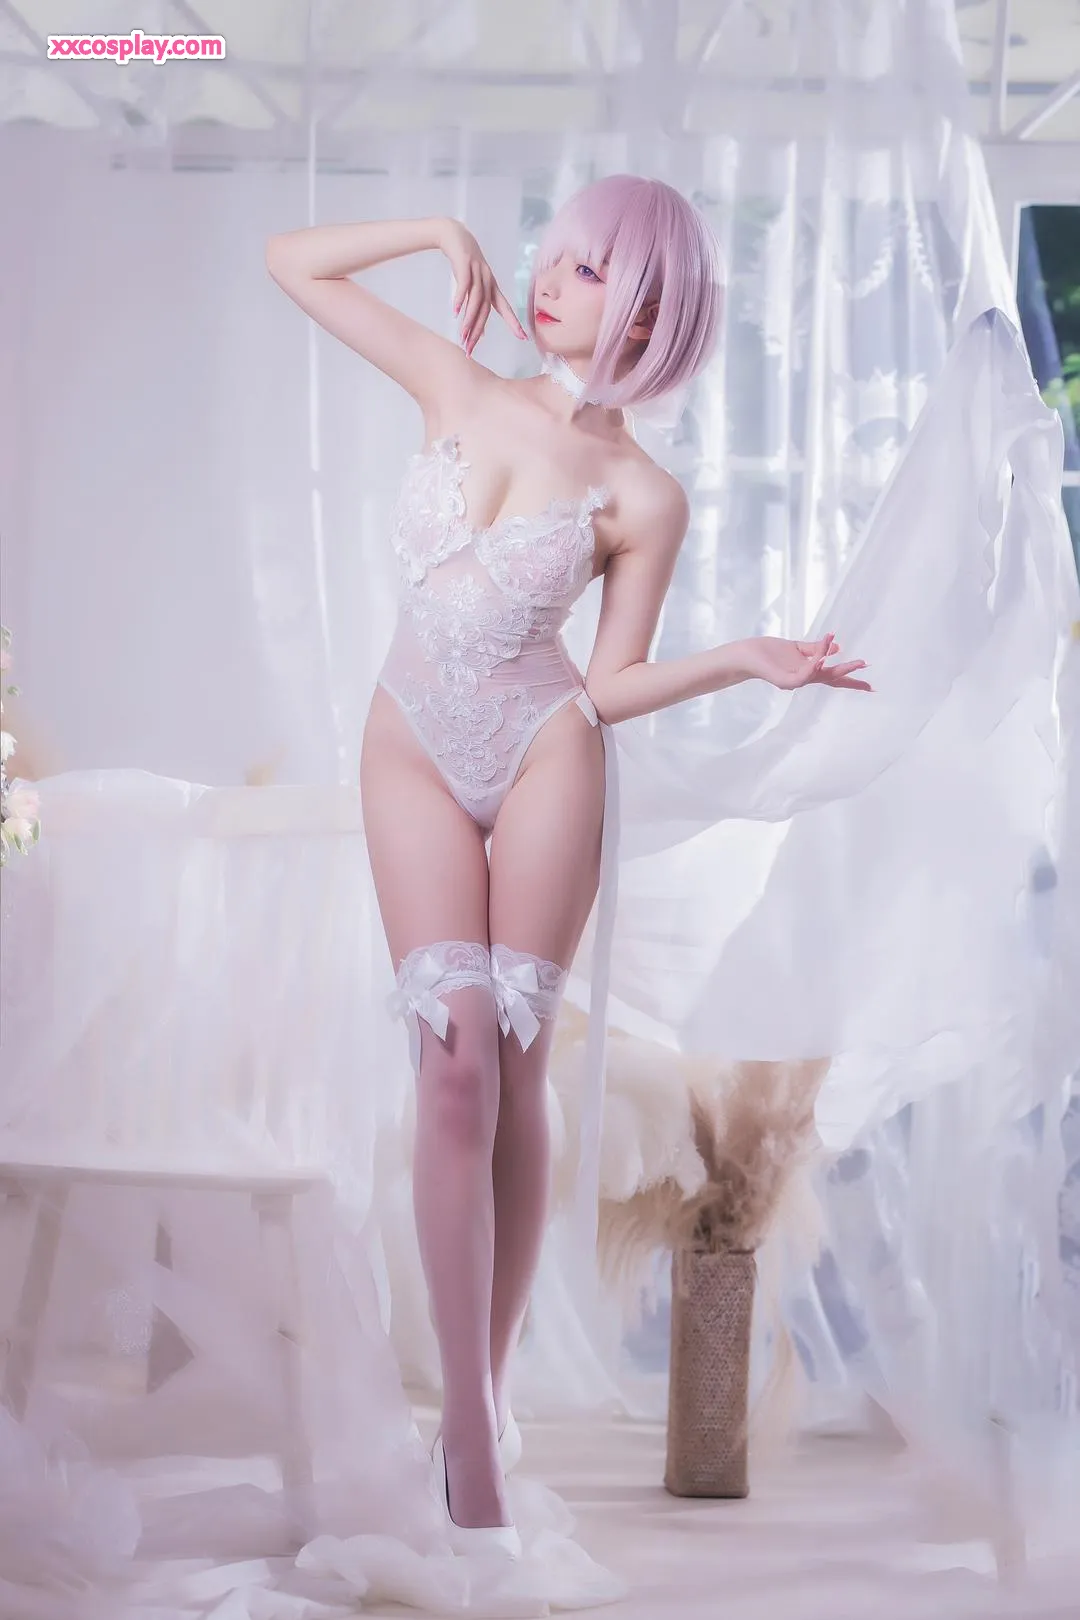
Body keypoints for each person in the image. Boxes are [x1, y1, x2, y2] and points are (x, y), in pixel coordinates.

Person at [265, 173, 870, 1559]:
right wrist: (433, 232)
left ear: (649, 309)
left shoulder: (644, 494)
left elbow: (604, 687)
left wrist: (742, 658)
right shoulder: (455, 381)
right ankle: (468, 1426)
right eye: (558, 254)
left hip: (548, 756)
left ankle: (483, 1397)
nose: (550, 279)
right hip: (412, 745)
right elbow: (291, 261)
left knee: (515, 1070)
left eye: (592, 270)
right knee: (452, 1063)